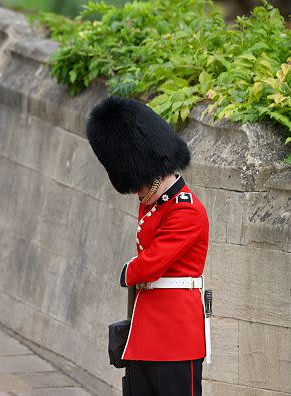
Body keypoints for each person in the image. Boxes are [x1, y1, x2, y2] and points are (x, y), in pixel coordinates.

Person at [87, 96, 210, 395]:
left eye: (137, 185)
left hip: (177, 336)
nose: (136, 193)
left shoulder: (187, 210)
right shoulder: (153, 204)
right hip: (146, 331)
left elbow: (152, 264)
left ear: (150, 172)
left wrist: (128, 271)